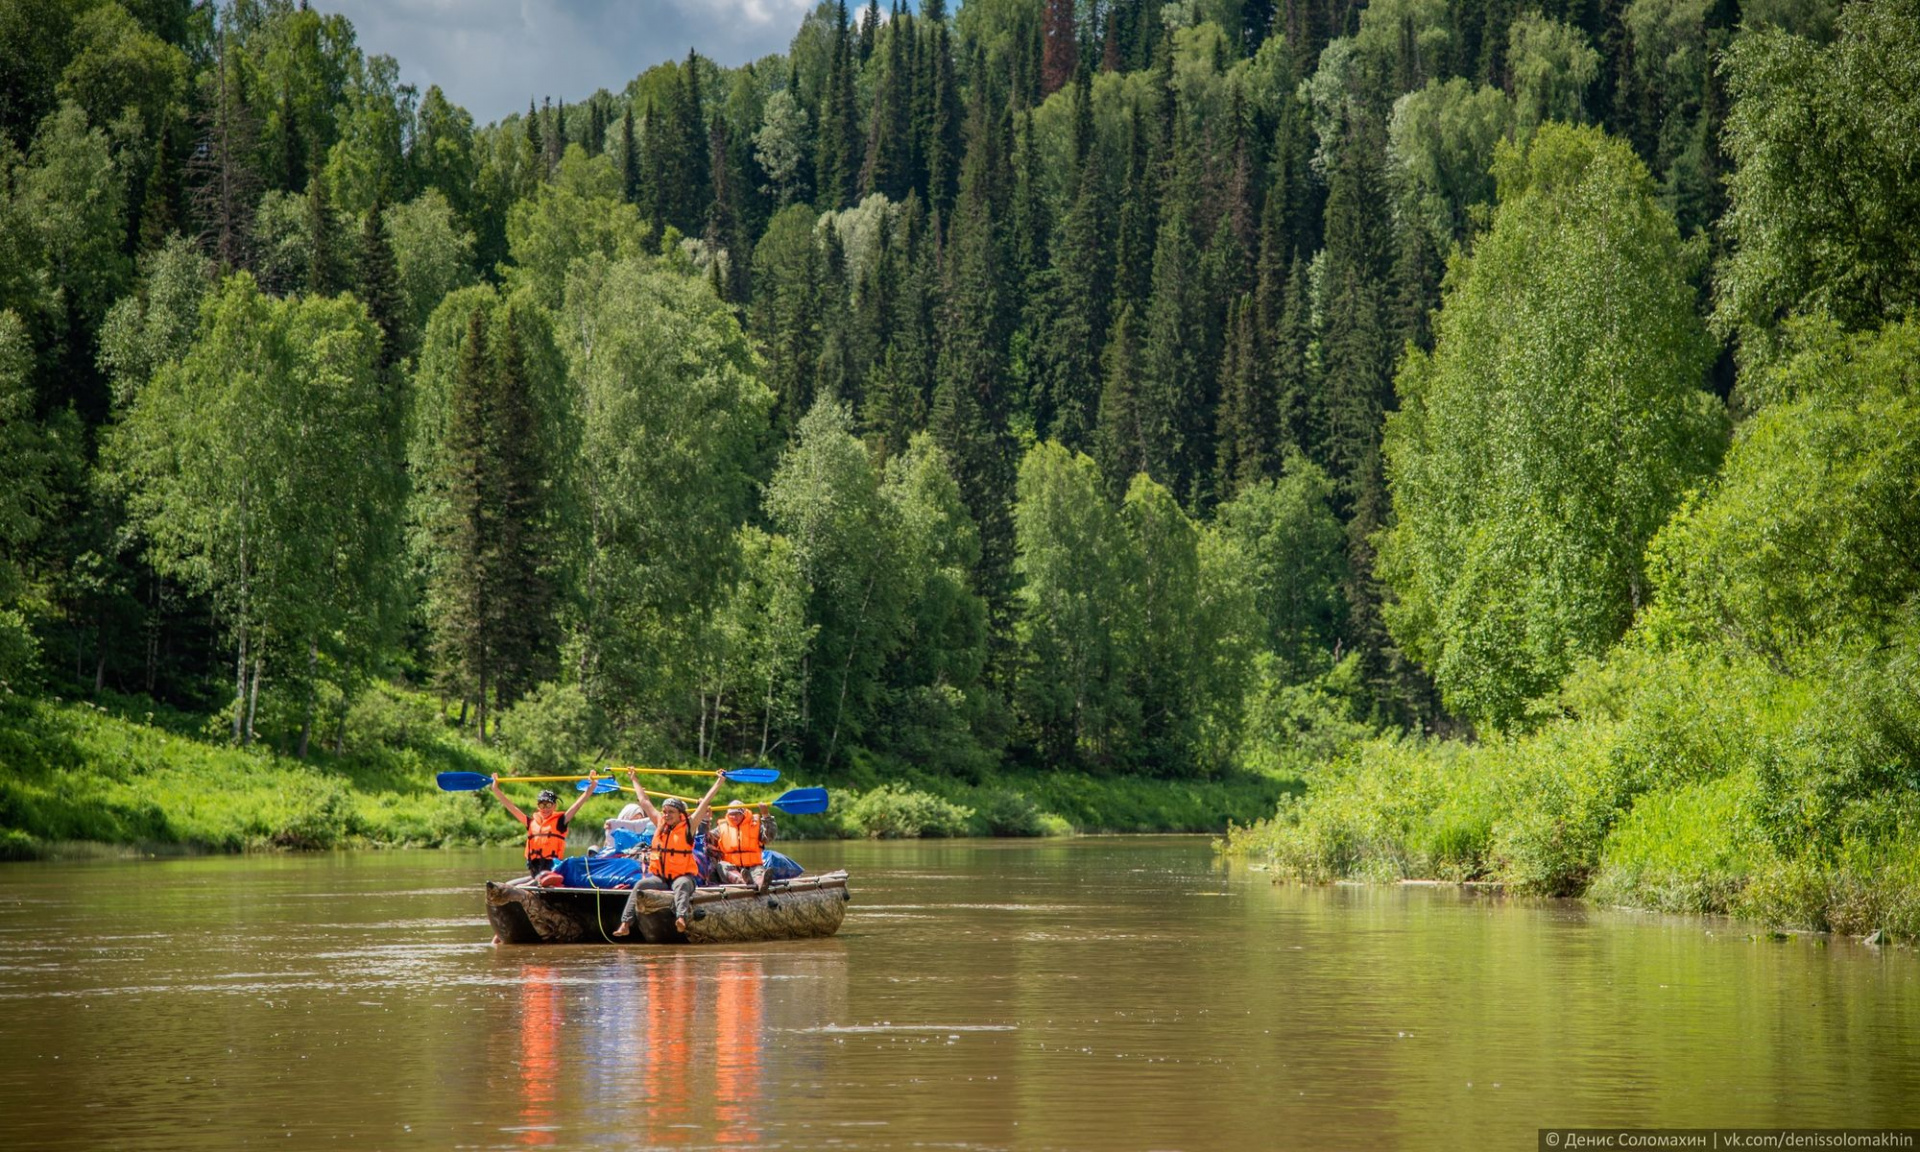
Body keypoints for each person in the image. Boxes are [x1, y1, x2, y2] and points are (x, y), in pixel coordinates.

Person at [612, 771, 726, 937]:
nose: (666, 815)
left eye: (670, 812)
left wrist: (719, 781)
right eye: (664, 811)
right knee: (639, 886)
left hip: (682, 876)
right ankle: (625, 923)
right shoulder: (660, 822)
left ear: (680, 814)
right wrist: (634, 779)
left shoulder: (689, 826)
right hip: (661, 878)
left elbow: (706, 802)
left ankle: (681, 918)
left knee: (682, 886)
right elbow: (644, 802)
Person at [490, 770, 600, 880]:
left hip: (552, 867)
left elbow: (577, 805)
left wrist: (591, 787)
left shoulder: (561, 821)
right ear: (538, 807)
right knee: (512, 885)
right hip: (534, 867)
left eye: (548, 805)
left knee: (541, 881)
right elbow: (511, 807)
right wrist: (495, 789)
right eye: (542, 805)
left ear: (554, 806)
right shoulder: (530, 822)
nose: (545, 809)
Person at [709, 799, 776, 894]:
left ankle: (761, 882)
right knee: (721, 865)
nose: (733, 817)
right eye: (731, 814)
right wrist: (705, 818)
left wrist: (766, 816)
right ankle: (743, 881)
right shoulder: (721, 828)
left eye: (737, 814)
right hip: (732, 867)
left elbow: (769, 837)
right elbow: (705, 839)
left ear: (743, 813)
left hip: (753, 866)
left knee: (758, 872)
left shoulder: (755, 825)